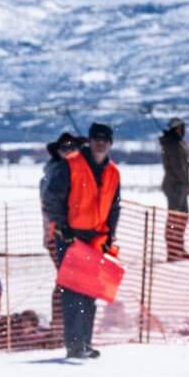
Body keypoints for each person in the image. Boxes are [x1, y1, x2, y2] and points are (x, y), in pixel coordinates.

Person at [45, 122, 121, 361]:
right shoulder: (71, 164)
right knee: (72, 291)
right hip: (71, 236)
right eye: (97, 138)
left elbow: (114, 207)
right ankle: (74, 344)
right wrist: (63, 226)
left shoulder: (113, 173)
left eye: (105, 139)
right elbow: (51, 198)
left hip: (97, 238)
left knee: (90, 291)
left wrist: (110, 235)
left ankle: (85, 342)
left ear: (110, 143)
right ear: (90, 140)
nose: (101, 143)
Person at [159, 117, 189, 262]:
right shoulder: (173, 144)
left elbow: (180, 164)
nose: (183, 130)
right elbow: (178, 168)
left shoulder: (176, 142)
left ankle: (178, 248)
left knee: (183, 217)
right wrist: (187, 184)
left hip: (180, 185)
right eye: (181, 127)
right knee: (175, 219)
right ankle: (172, 251)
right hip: (175, 186)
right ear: (177, 128)